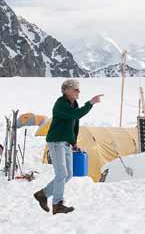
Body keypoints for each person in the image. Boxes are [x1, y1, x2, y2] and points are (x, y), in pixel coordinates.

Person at [33, 79, 102, 215]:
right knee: (62, 174)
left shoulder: (73, 104)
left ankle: (43, 194)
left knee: (68, 174)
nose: (78, 92)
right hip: (57, 142)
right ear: (67, 90)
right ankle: (57, 204)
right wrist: (90, 103)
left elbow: (73, 125)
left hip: (66, 143)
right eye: (76, 89)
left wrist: (73, 142)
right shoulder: (61, 104)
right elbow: (75, 115)